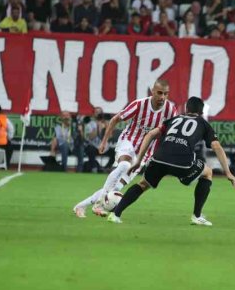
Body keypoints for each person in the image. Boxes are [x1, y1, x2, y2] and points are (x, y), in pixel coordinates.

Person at [107, 97, 235, 225]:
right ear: (201, 112)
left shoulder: (173, 119)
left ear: (186, 109)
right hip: (183, 163)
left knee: (142, 184)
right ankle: (197, 216)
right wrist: (228, 172)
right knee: (208, 172)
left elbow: (151, 134)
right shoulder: (203, 123)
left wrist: (138, 160)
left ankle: (115, 214)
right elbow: (216, 146)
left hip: (159, 158)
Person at [72, 80, 176, 218]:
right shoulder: (139, 105)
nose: (162, 97)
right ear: (153, 91)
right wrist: (104, 142)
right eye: (160, 93)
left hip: (144, 154)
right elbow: (115, 119)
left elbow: (174, 131)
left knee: (115, 188)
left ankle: (80, 206)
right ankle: (98, 203)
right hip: (128, 142)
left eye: (166, 94)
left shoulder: (170, 110)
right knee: (124, 165)